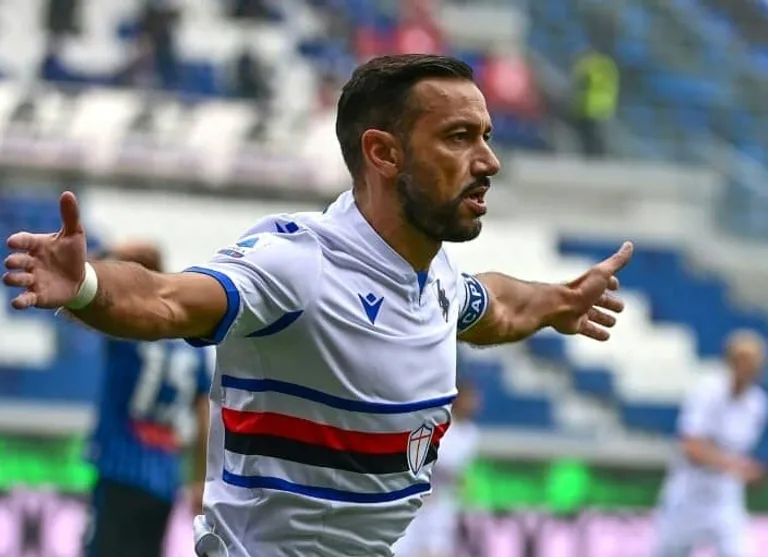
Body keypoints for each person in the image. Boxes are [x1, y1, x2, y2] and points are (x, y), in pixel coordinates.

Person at [2, 54, 633, 556]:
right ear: (383, 152)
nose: (489, 160)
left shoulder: (434, 277)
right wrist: (87, 283)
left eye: (486, 136)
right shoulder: (299, 265)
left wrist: (558, 302)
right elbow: (166, 299)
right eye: (459, 137)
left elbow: (495, 305)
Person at [81, 240, 211, 557]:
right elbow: (204, 415)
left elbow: (83, 280)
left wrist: (115, 255)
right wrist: (201, 480)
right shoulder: (190, 347)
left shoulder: (125, 333)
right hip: (164, 478)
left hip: (119, 470)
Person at [653, 329, 768, 557]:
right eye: (743, 359)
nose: (748, 367)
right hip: (688, 494)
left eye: (754, 361)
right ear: (729, 360)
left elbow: (741, 452)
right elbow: (691, 446)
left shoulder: (757, 404)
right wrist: (736, 467)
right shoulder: (707, 390)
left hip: (725, 497)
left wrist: (748, 471)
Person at [393, 380, 480, 557]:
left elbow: (460, 471)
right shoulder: (438, 425)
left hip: (441, 504)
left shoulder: (470, 434)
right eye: (469, 398)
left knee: (437, 550)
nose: (473, 404)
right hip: (416, 500)